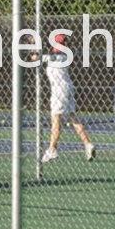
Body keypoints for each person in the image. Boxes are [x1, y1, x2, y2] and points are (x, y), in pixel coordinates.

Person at [34, 33, 95, 163]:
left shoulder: (56, 56)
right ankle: (88, 144)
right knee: (73, 118)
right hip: (67, 89)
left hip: (59, 92)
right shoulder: (65, 55)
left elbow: (36, 58)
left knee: (56, 119)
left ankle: (52, 149)